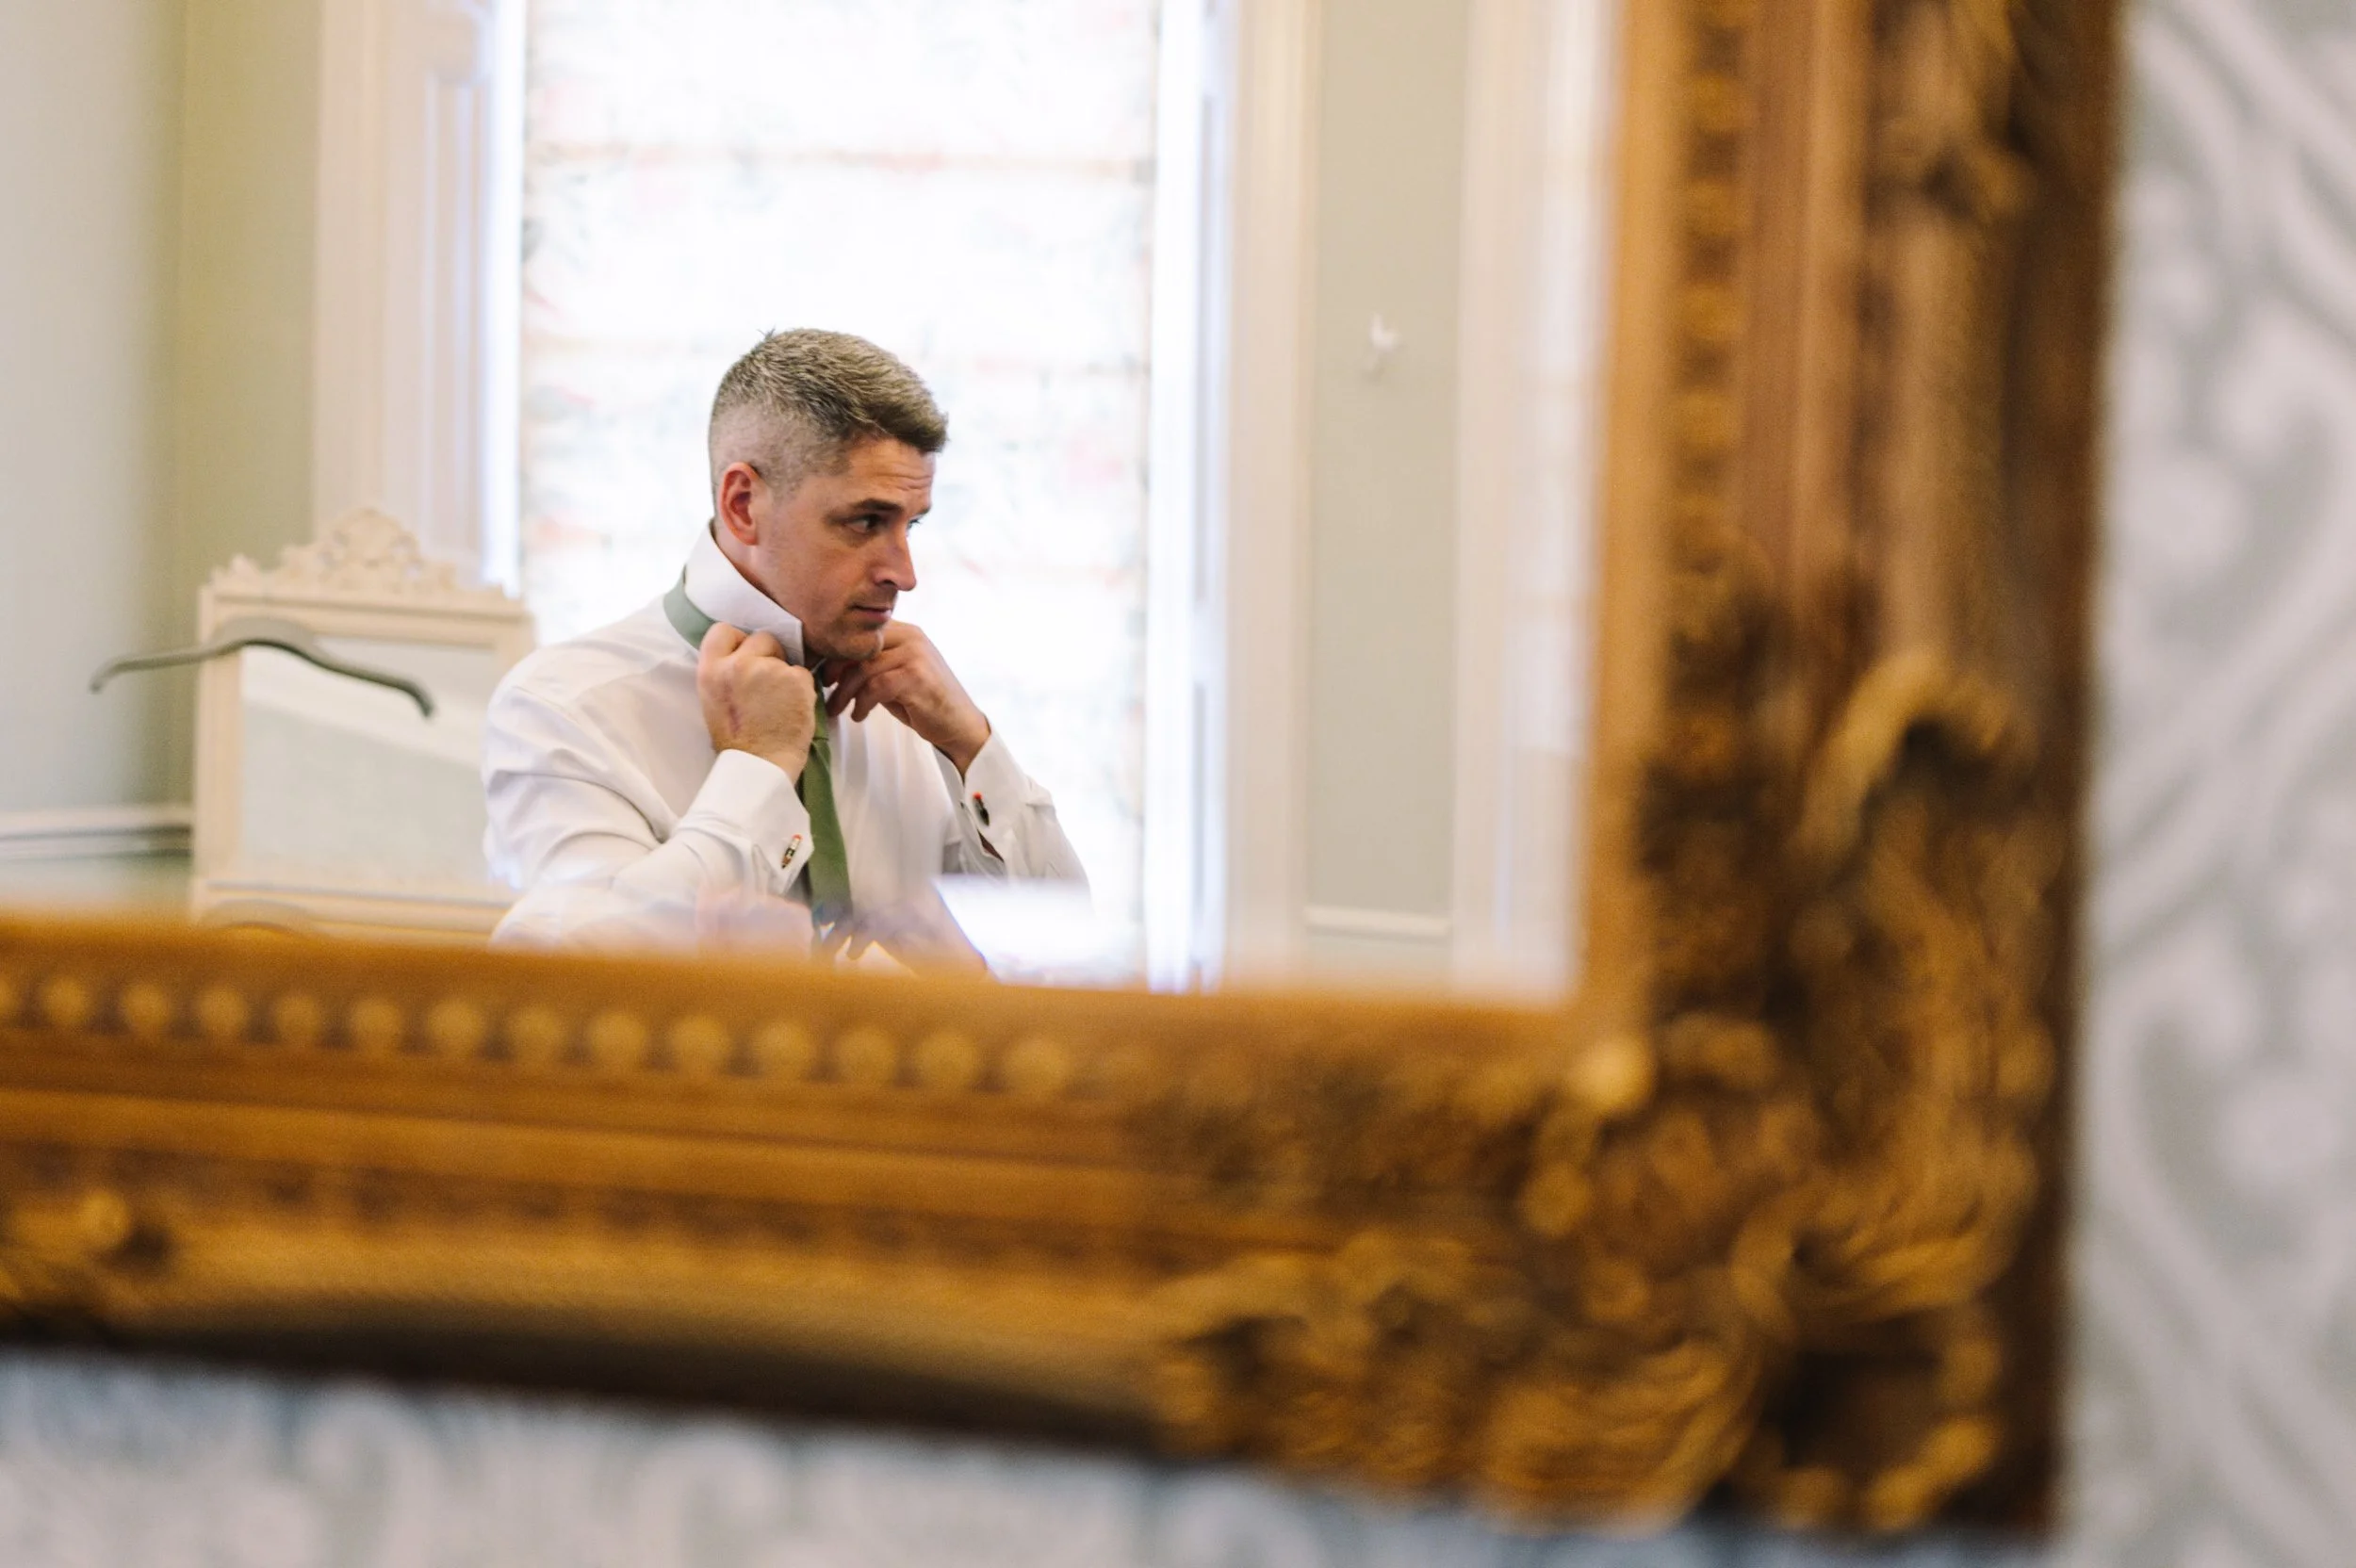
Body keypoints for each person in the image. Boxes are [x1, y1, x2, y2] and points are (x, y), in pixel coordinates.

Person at [483, 328, 1087, 956]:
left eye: (910, 526)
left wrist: (972, 746)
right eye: (866, 521)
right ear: (743, 504)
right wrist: (759, 771)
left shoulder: (911, 712)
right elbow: (577, 973)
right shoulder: (563, 709)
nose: (904, 574)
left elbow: (1062, 952)